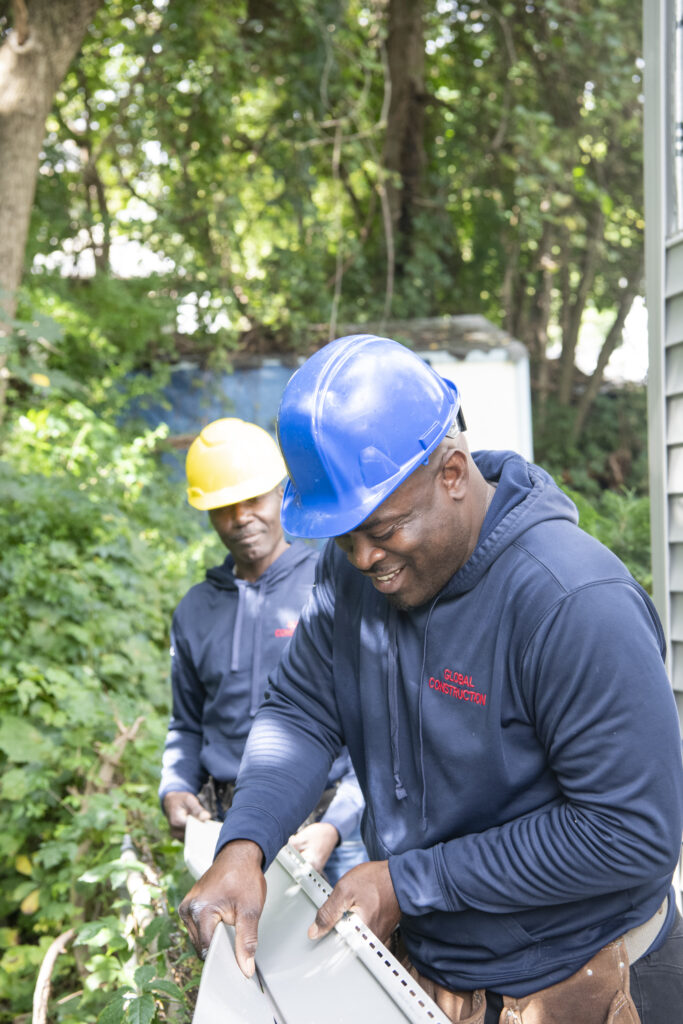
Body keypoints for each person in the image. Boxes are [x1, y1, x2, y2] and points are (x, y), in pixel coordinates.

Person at [179, 339, 683, 1024]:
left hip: (582, 979)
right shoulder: (354, 571)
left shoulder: (571, 602)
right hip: (441, 974)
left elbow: (629, 832)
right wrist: (244, 846)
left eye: (382, 528)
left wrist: (410, 882)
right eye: (343, 535)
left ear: (451, 472)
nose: (361, 558)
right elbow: (301, 709)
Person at [159, 416, 367, 885]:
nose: (239, 518)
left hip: (326, 829)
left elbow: (376, 727)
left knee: (336, 957)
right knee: (238, 956)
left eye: (251, 499)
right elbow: (186, 723)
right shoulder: (195, 610)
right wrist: (174, 787)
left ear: (281, 493)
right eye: (223, 507)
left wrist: (338, 823)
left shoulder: (333, 590)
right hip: (226, 829)